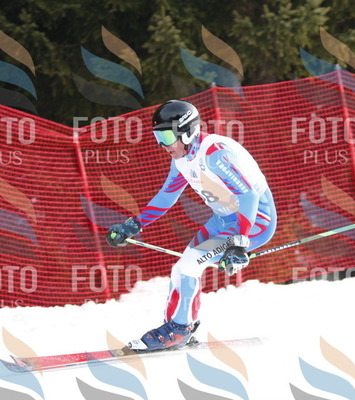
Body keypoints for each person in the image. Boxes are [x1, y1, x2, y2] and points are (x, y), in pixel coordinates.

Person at [106, 99, 277, 351]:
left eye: (166, 137)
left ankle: (178, 329)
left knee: (189, 265)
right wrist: (135, 224)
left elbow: (248, 195)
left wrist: (240, 241)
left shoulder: (214, 154)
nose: (162, 145)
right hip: (223, 220)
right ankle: (181, 326)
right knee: (182, 269)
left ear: (186, 132)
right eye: (157, 137)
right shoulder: (182, 159)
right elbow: (167, 196)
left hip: (253, 221)